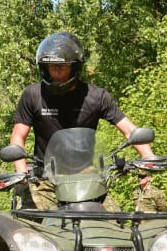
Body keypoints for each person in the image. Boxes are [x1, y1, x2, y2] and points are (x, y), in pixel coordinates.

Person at [10, 32, 158, 211]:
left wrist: (149, 158)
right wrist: (21, 173)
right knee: (31, 225)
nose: (56, 71)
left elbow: (129, 131)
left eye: (62, 66)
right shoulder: (33, 95)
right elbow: (18, 136)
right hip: (44, 178)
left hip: (86, 178)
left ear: (74, 67)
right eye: (51, 66)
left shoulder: (97, 96)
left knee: (114, 222)